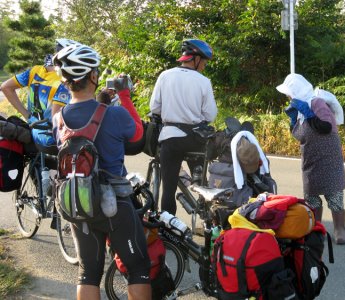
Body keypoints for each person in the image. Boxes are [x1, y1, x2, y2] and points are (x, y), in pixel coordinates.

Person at [52, 43, 151, 299]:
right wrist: (125, 95)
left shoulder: (59, 119)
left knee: (88, 273)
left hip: (78, 204)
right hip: (115, 204)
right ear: (94, 77)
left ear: (66, 80)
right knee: (138, 269)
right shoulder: (115, 113)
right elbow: (138, 134)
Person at [276, 73, 345, 245]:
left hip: (328, 157)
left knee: (334, 195)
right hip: (310, 158)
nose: (287, 96)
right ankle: (316, 229)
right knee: (312, 197)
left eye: (289, 92)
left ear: (297, 91)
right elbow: (300, 135)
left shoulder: (316, 103)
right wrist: (293, 121)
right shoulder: (299, 110)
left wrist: (309, 113)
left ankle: (340, 229)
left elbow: (326, 126)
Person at [150, 39, 218, 215]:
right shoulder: (204, 82)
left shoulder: (165, 76)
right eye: (203, 61)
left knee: (169, 188)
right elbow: (210, 115)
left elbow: (154, 108)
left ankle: (168, 226)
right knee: (203, 186)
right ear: (195, 59)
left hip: (170, 138)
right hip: (195, 139)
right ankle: (206, 218)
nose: (203, 65)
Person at [0, 38, 77, 148]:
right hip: (51, 139)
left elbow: (5, 87)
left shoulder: (35, 71)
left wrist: (26, 115)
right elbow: (57, 119)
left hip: (33, 130)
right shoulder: (64, 80)